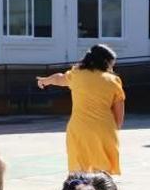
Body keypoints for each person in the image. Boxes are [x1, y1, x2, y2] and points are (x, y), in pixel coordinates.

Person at [36, 44, 126, 175]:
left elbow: (59, 78)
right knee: (102, 176)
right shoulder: (114, 81)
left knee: (79, 173)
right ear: (104, 62)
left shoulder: (77, 74)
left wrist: (46, 80)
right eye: (111, 64)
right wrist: (114, 129)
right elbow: (119, 114)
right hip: (104, 130)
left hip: (79, 129)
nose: (112, 68)